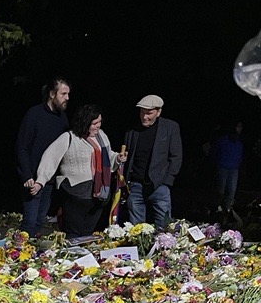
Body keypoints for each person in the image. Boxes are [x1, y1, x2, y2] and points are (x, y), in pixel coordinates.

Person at [29, 104, 126, 241]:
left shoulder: (101, 136)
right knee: (73, 234)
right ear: (84, 122)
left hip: (99, 194)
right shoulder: (69, 138)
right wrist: (40, 181)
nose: (98, 126)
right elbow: (50, 158)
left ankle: (83, 261)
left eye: (99, 122)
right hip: (76, 192)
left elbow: (108, 156)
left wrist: (117, 158)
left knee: (87, 234)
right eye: (94, 123)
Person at [15, 77, 71, 237]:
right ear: (52, 94)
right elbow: (22, 146)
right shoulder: (34, 114)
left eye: (68, 94)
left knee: (40, 220)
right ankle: (18, 255)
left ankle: (31, 254)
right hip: (32, 178)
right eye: (63, 94)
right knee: (29, 222)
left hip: (50, 179)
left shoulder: (62, 117)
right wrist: (26, 174)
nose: (67, 98)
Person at [123, 95, 182, 231]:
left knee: (165, 229)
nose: (145, 117)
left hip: (160, 187)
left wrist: (167, 181)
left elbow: (176, 156)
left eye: (149, 113)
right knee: (137, 231)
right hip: (136, 187)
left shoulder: (170, 127)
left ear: (158, 112)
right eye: (142, 112)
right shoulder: (133, 129)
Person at [214, 122, 244, 215]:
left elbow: (240, 155)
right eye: (239, 126)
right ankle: (218, 208)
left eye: (241, 127)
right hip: (223, 167)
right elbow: (216, 151)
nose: (240, 129)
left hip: (234, 168)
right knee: (221, 190)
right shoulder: (223, 140)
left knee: (232, 190)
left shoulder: (239, 142)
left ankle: (227, 209)